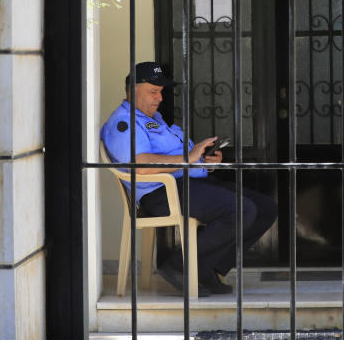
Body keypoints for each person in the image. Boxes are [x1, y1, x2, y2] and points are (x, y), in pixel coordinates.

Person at [101, 61, 277, 296]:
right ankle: (179, 265)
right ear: (133, 90)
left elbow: (182, 157)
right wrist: (187, 158)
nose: (160, 98)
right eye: (154, 91)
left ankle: (209, 269)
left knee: (266, 208)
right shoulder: (124, 123)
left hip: (189, 184)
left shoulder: (154, 119)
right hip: (162, 192)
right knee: (240, 210)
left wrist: (204, 161)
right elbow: (138, 166)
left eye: (161, 92)